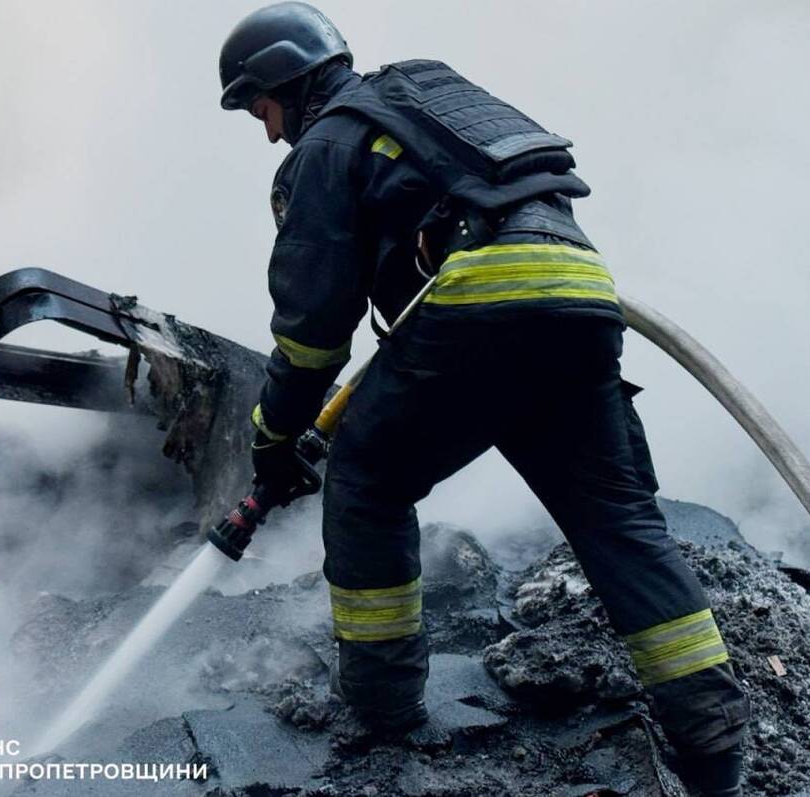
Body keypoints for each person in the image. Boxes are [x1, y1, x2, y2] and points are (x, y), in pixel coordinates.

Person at [217, 3, 750, 794]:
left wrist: (273, 436)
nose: (267, 133)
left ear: (285, 84)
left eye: (260, 109)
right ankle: (712, 741)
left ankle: (383, 707)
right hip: (581, 295)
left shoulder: (328, 145)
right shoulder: (423, 106)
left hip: (481, 300)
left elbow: (312, 330)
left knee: (366, 483)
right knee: (617, 516)